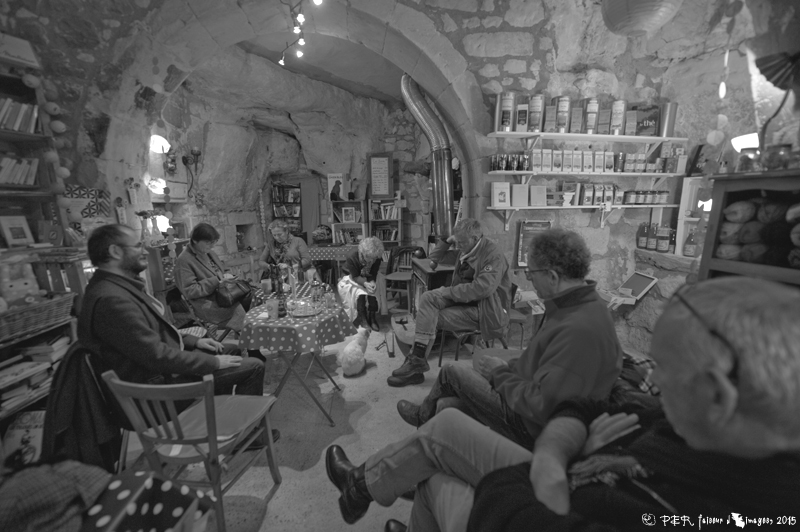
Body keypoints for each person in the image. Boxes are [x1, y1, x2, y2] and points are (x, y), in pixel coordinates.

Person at [325, 277, 800, 531]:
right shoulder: (697, 429)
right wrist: (563, 446)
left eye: (666, 368)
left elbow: (505, 506)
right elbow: (585, 407)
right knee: (447, 419)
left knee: (437, 469)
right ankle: (366, 485)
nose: (654, 377)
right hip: (559, 465)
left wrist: (567, 456)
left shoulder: (717, 514)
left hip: (539, 490)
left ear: (717, 394)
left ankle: (372, 486)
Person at [395, 229, 622, 449]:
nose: (528, 278)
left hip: (528, 425)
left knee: (450, 372)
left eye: (531, 273)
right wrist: (510, 368)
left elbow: (541, 408)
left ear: (552, 277)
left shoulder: (578, 329)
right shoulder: (574, 306)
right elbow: (541, 365)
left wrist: (499, 373)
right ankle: (430, 426)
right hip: (525, 395)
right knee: (445, 405)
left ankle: (422, 417)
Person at [77, 224, 277, 440]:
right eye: (137, 246)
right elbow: (157, 356)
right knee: (253, 366)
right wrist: (213, 363)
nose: (145, 251)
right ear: (115, 251)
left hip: (161, 373)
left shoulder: (115, 288)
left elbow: (147, 338)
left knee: (231, 350)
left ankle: (223, 423)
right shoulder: (111, 299)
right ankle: (248, 435)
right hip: (157, 391)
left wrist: (193, 341)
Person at [388, 218, 512, 388]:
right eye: (457, 241)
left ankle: (415, 369)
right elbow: (433, 258)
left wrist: (447, 291)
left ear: (475, 238)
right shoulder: (467, 249)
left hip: (486, 310)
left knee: (429, 317)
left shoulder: (492, 255)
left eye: (461, 242)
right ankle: (416, 362)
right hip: (465, 301)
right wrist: (447, 241)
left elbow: (482, 289)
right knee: (427, 298)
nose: (458, 246)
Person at [175, 222, 247, 333]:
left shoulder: (209, 252)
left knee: (252, 297)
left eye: (214, 242)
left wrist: (229, 275)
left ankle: (252, 335)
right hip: (208, 304)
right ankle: (250, 337)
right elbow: (190, 291)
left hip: (224, 294)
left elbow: (223, 269)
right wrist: (217, 280)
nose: (212, 246)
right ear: (195, 240)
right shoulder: (184, 260)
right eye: (208, 242)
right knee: (242, 310)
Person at [337, 236, 384, 331]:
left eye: (374, 258)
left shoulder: (377, 256)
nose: (372, 261)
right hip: (350, 275)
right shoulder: (351, 256)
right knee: (360, 292)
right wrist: (365, 283)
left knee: (374, 291)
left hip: (367, 274)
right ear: (363, 253)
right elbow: (355, 276)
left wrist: (372, 281)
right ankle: (362, 317)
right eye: (369, 258)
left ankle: (372, 316)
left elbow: (373, 272)